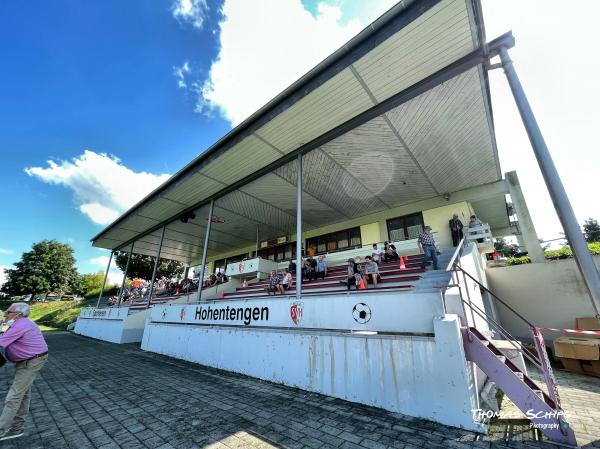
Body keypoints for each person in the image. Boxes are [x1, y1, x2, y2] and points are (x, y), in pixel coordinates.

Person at [0, 303, 48, 441]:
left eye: (8, 312)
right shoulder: (19, 323)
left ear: (18, 314)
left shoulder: (21, 325)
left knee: (14, 396)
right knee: (23, 393)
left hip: (31, 361)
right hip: (29, 360)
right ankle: (17, 428)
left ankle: (1, 430)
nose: (5, 314)